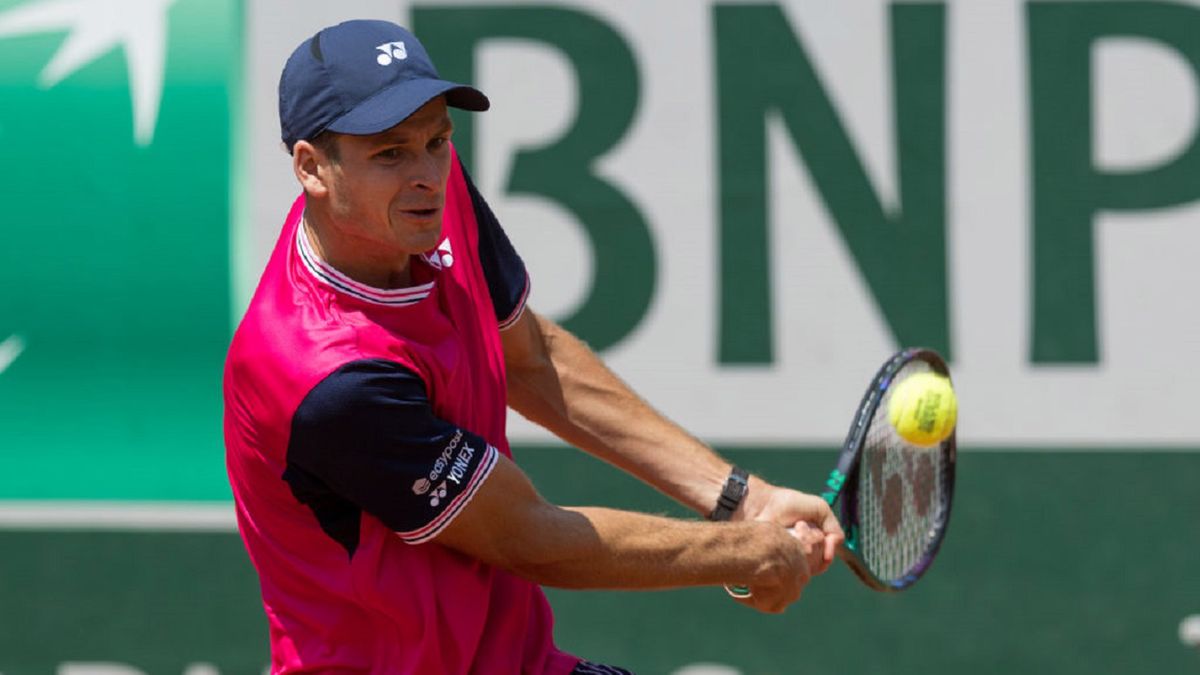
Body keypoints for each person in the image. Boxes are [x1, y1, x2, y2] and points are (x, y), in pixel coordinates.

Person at [224, 19, 844, 675]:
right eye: (390, 154)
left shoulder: (423, 198)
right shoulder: (327, 377)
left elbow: (534, 361)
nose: (428, 173)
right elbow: (529, 536)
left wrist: (741, 499)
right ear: (311, 168)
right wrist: (745, 549)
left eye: (438, 140)